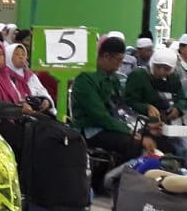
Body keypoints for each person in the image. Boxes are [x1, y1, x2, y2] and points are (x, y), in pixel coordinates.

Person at [70, 36, 163, 165]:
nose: (120, 65)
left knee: (159, 138)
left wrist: (144, 126)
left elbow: (122, 107)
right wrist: (129, 131)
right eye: (118, 60)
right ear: (107, 56)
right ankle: (115, 180)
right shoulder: (85, 80)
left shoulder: (113, 78)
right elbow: (100, 116)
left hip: (115, 124)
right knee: (134, 145)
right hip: (92, 130)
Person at [123, 48, 187, 126]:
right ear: (152, 63)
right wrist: (147, 107)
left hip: (169, 123)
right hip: (144, 123)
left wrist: (178, 108)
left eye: (166, 69)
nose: (161, 72)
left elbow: (182, 98)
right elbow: (129, 101)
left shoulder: (173, 78)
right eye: (158, 67)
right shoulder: (138, 75)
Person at [5, 43, 54, 113]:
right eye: (17, 54)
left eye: (23, 54)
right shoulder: (4, 76)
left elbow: (42, 91)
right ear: (8, 56)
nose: (21, 57)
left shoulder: (31, 76)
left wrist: (47, 101)